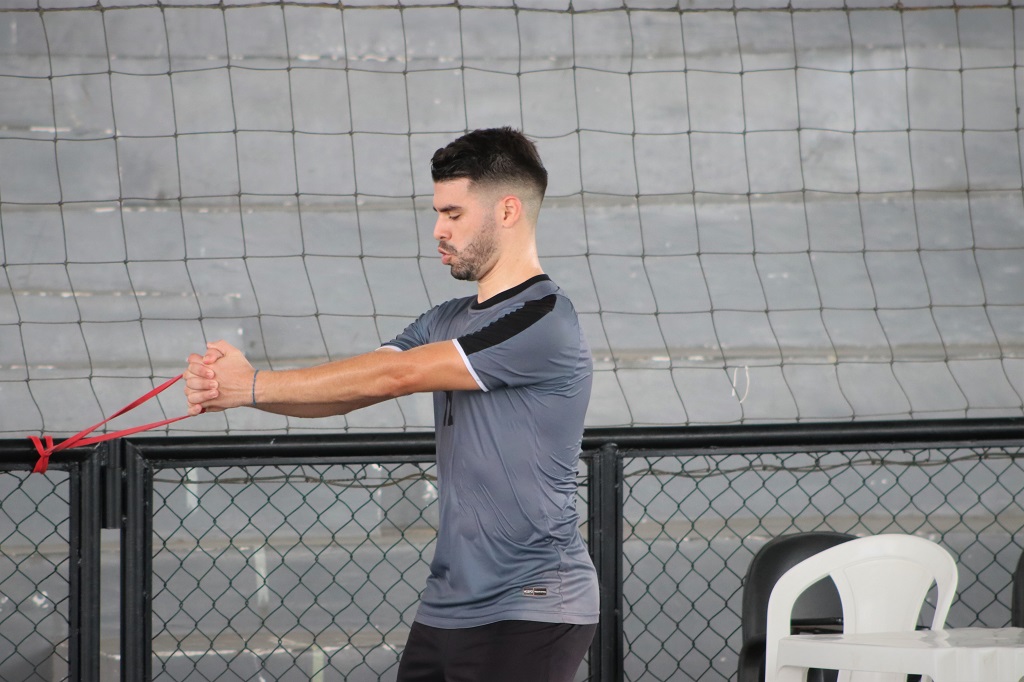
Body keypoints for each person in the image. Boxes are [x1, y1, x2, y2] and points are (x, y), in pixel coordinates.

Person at [183, 127, 599, 682]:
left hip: (532, 602)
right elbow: (358, 384)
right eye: (437, 213)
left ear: (506, 211)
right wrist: (237, 392)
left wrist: (251, 385)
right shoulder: (444, 318)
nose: (437, 230)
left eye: (453, 214)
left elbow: (397, 375)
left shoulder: (544, 318)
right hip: (448, 605)